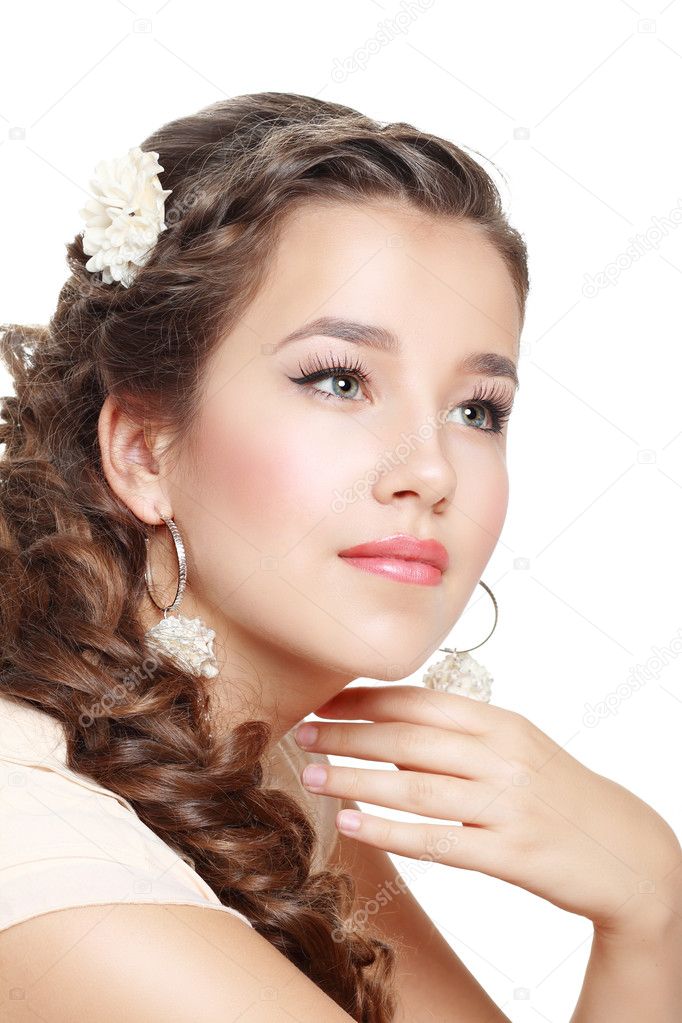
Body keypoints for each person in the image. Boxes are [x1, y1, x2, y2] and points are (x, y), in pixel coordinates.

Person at [0, 91, 679, 1022]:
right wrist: (656, 913)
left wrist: (651, 904)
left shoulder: (255, 766)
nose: (432, 469)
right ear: (141, 449)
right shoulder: (44, 839)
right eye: (339, 380)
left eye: (477, 408)